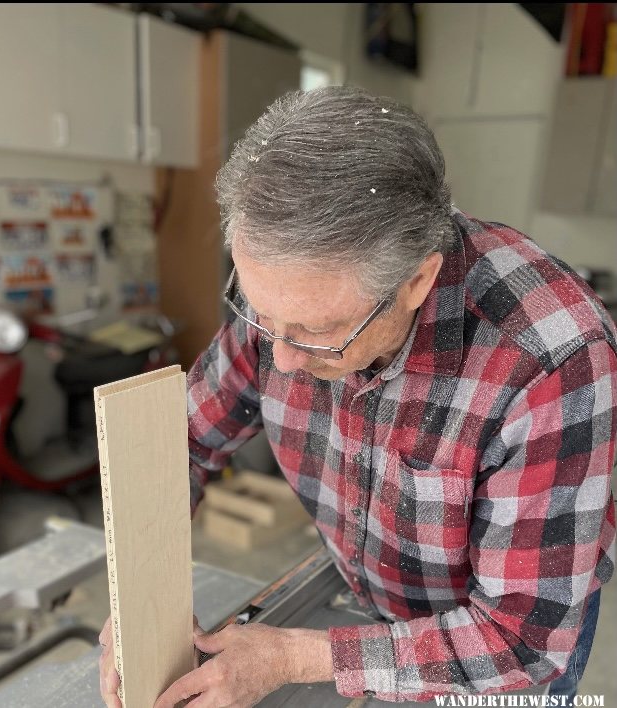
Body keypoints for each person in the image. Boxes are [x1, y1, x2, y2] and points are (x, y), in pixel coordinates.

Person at [99, 86, 617, 707]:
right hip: (368, 597)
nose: (281, 360)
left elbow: (522, 643)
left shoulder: (552, 359)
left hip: (499, 649)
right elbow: (179, 444)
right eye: (262, 318)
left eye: (317, 334)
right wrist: (141, 601)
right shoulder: (287, 304)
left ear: (415, 281)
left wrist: (293, 656)